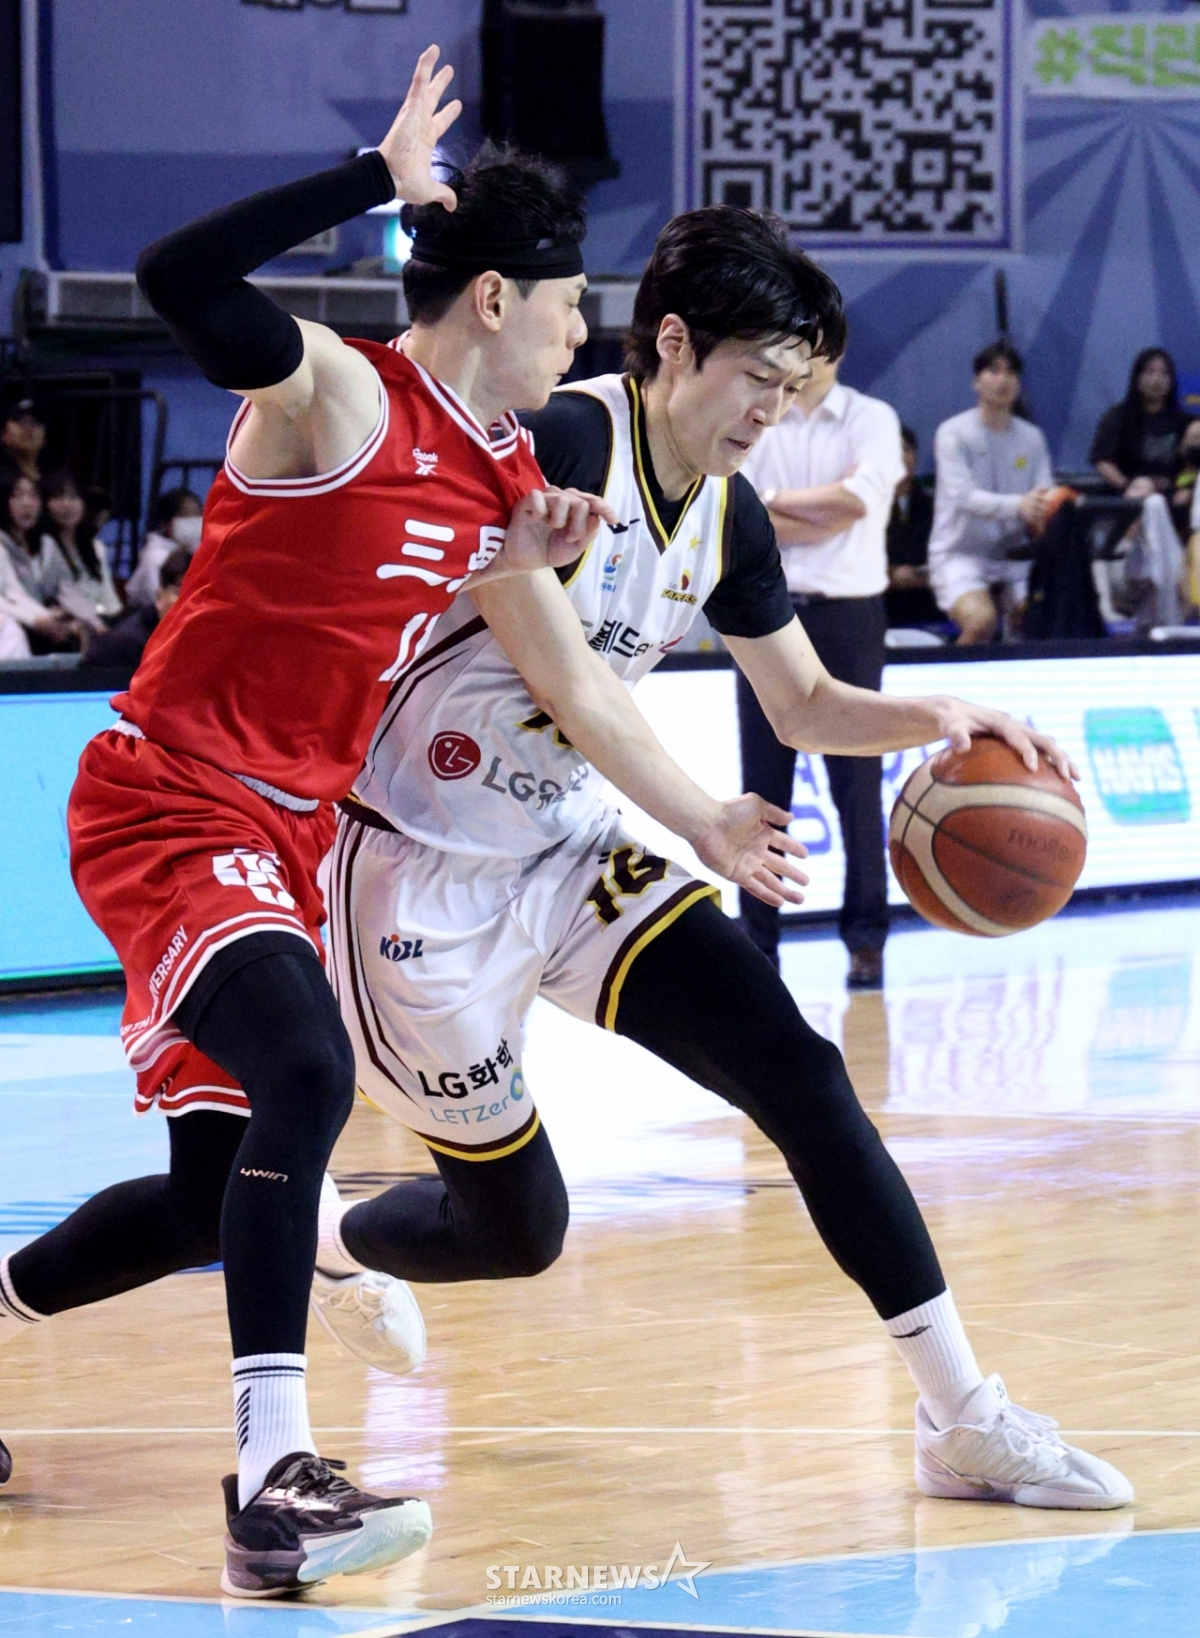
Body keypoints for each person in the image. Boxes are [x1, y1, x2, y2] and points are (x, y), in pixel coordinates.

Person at [0, 56, 801, 1596]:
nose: (583, 333)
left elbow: (560, 662)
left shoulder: (503, 468)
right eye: (568, 306)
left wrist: (553, 555)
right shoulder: (338, 390)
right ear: (495, 297)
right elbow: (176, 275)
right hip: (174, 793)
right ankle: (274, 1483)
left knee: (208, 1192)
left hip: (288, 832)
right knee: (307, 1071)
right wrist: (372, 181)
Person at [307, 208, 1126, 1517]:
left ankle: (965, 1418)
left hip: (563, 853)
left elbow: (803, 703)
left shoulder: (731, 514)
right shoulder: (563, 441)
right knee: (516, 1232)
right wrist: (702, 815)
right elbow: (571, 683)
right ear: (677, 343)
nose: (774, 414)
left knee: (802, 1073)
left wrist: (946, 714)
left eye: (796, 389)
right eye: (760, 379)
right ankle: (326, 1238)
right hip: (418, 873)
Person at [736, 341, 904, 986]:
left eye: (817, 347)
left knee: (857, 786)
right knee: (762, 791)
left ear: (836, 352)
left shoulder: (872, 417)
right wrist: (811, 513)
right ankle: (759, 949)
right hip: (765, 610)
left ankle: (866, 939)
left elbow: (856, 503)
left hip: (848, 614)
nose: (805, 361)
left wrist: (775, 501)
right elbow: (740, 511)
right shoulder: (759, 413)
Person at [927, 342, 1054, 645]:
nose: (1002, 379)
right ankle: (953, 677)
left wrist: (1044, 510)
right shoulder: (952, 433)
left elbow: (1044, 494)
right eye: (993, 371)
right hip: (960, 554)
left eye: (1010, 372)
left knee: (1041, 618)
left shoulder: (1032, 438)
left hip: (1016, 558)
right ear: (976, 382)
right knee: (981, 621)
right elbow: (962, 497)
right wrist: (1020, 505)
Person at [0, 470, 79, 650]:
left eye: (33, 496)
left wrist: (51, 618)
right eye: (17, 496)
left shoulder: (45, 544)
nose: (26, 503)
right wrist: (37, 620)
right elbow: (5, 597)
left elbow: (14, 592)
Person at [81, 546, 189, 668]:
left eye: (198, 594)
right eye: (180, 592)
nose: (190, 603)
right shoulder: (129, 643)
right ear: (160, 597)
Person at [42, 470, 123, 630]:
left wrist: (117, 620)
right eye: (58, 497)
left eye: (74, 497)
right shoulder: (46, 546)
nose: (67, 504)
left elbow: (109, 597)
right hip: (74, 623)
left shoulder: (96, 547)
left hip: (103, 620)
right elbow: (57, 594)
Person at [885, 425, 939, 629]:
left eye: (905, 450)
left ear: (915, 457)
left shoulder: (934, 506)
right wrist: (892, 574)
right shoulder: (865, 508)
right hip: (881, 604)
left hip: (927, 602)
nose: (899, 457)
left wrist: (918, 576)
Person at [124, 487, 204, 607]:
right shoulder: (153, 557)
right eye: (186, 516)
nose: (194, 522)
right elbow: (157, 600)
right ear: (165, 522)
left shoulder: (197, 551)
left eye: (197, 515)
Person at [0, 400, 46, 485]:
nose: (29, 427)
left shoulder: (56, 484)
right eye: (19, 420)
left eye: (35, 421)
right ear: (3, 434)